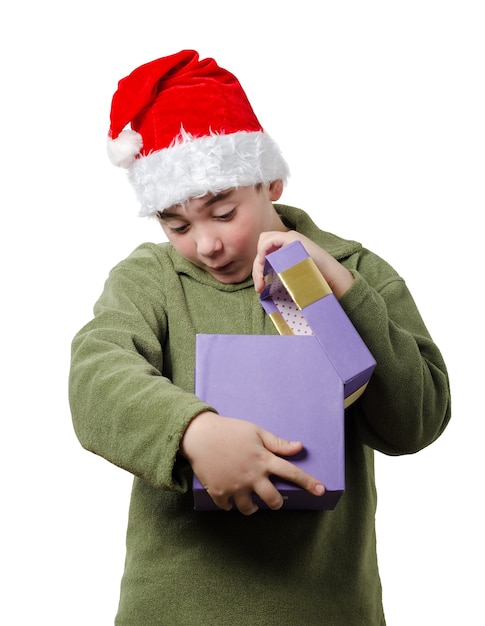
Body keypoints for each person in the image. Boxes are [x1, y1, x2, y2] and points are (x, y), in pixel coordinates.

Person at [68, 50, 451, 625]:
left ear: (269, 181)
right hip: (173, 611)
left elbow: (417, 421)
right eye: (177, 224)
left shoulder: (354, 269)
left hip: (327, 609)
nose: (206, 244)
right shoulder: (151, 279)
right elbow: (97, 374)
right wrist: (192, 432)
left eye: (223, 212)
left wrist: (340, 288)